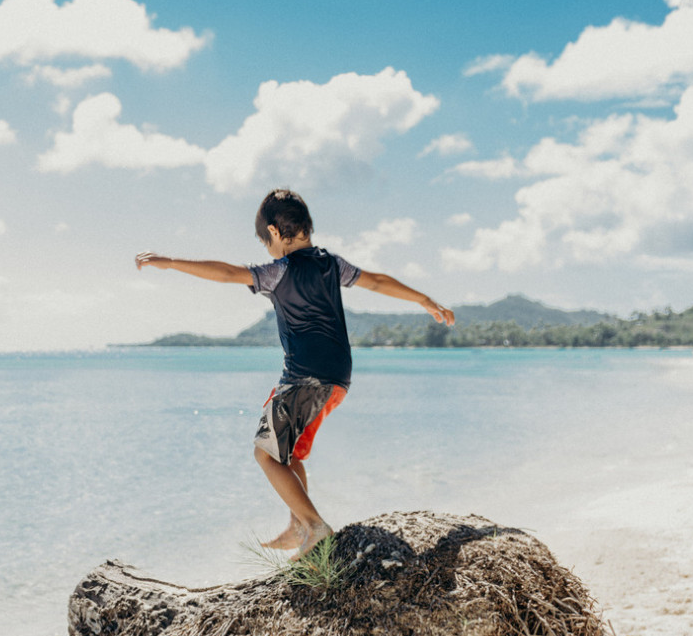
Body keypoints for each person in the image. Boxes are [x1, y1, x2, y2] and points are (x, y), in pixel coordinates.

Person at [136, 188, 454, 558]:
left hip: (305, 378)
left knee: (266, 455)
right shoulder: (332, 265)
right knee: (290, 454)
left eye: (264, 241)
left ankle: (315, 526)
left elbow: (227, 273)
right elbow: (378, 282)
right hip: (337, 380)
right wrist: (425, 300)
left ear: (273, 232)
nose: (265, 249)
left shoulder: (278, 271)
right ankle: (297, 527)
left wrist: (171, 262)